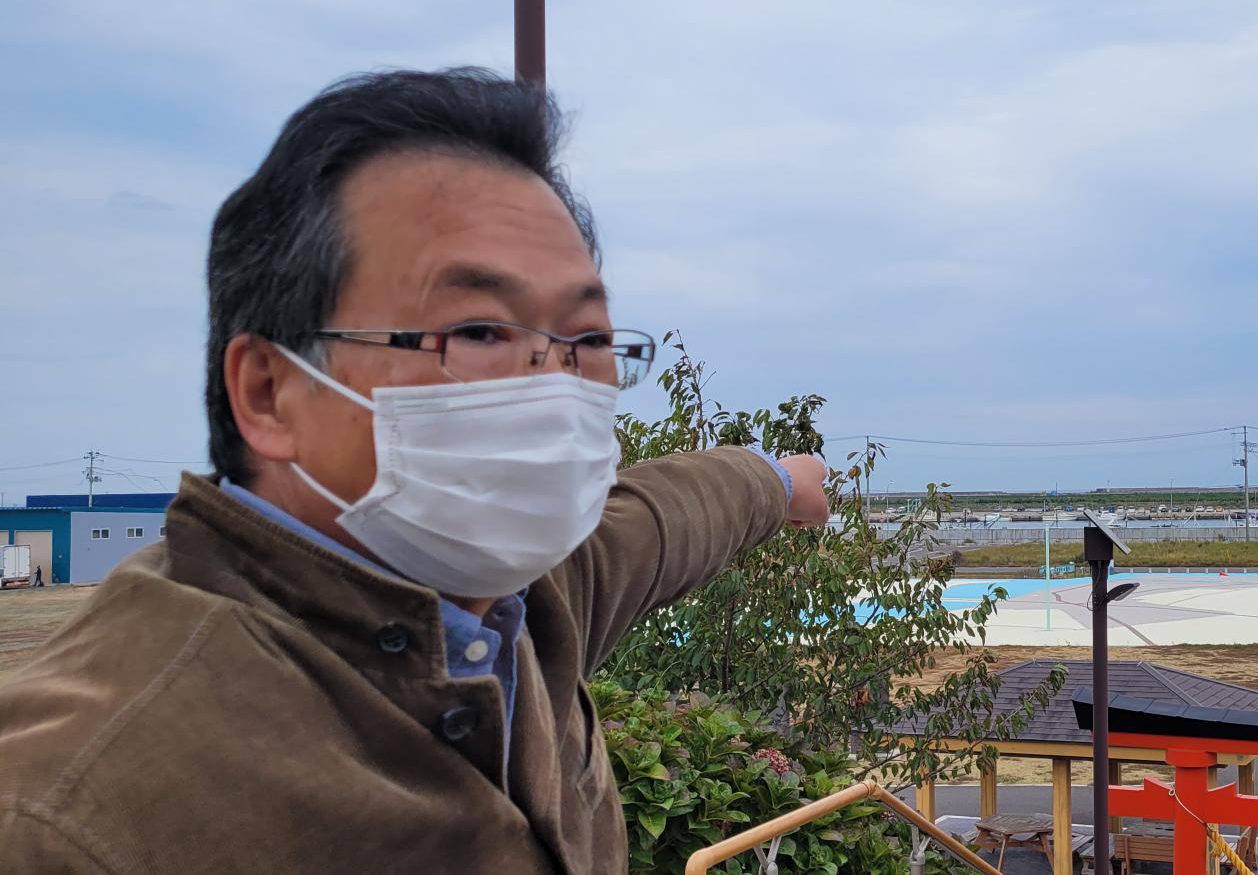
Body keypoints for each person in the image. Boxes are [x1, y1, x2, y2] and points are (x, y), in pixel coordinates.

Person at [0, 68, 830, 873]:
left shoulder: (524, 608)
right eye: (476, 331)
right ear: (268, 392)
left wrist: (780, 481)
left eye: (590, 340)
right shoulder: (71, 814)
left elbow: (661, 518)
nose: (553, 386)